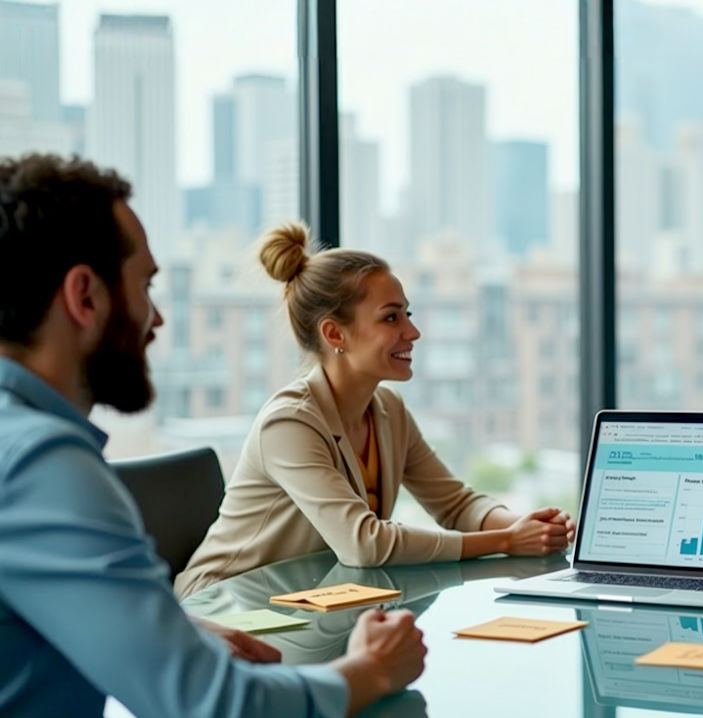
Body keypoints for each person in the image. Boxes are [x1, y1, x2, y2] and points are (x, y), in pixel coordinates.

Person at [0, 153, 424, 718]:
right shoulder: (43, 465)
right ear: (85, 296)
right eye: (147, 287)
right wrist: (367, 671)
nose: (158, 317)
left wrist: (178, 632)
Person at [175, 222, 574, 595]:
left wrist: (527, 528)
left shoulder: (387, 410)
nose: (412, 332)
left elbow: (455, 504)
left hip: (307, 606)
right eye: (391, 317)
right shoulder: (289, 423)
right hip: (223, 606)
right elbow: (364, 544)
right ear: (334, 333)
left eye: (408, 313)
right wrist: (505, 541)